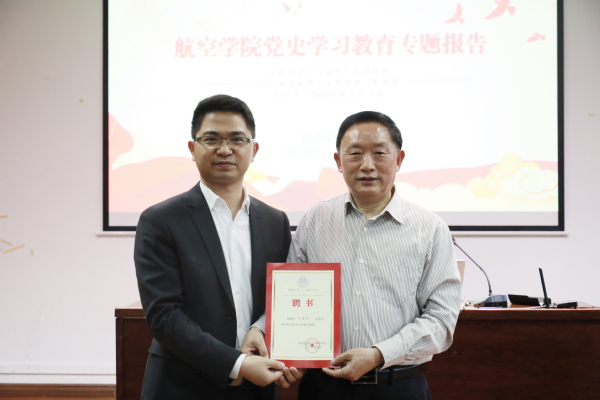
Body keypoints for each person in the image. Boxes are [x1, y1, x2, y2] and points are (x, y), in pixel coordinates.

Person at [134, 94, 301, 400]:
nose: (225, 149)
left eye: (237, 139)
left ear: (254, 149)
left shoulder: (275, 221)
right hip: (183, 386)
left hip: (256, 387)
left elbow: (281, 299)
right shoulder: (161, 220)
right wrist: (238, 364)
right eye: (211, 139)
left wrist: (281, 343)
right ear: (192, 148)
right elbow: (163, 315)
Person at [288, 111, 462, 399]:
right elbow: (290, 301)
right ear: (338, 162)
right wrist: (268, 333)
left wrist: (379, 354)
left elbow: (441, 321)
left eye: (379, 153)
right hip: (325, 387)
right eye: (355, 153)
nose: (367, 165)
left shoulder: (430, 229)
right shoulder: (314, 222)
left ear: (399, 159)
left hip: (398, 386)